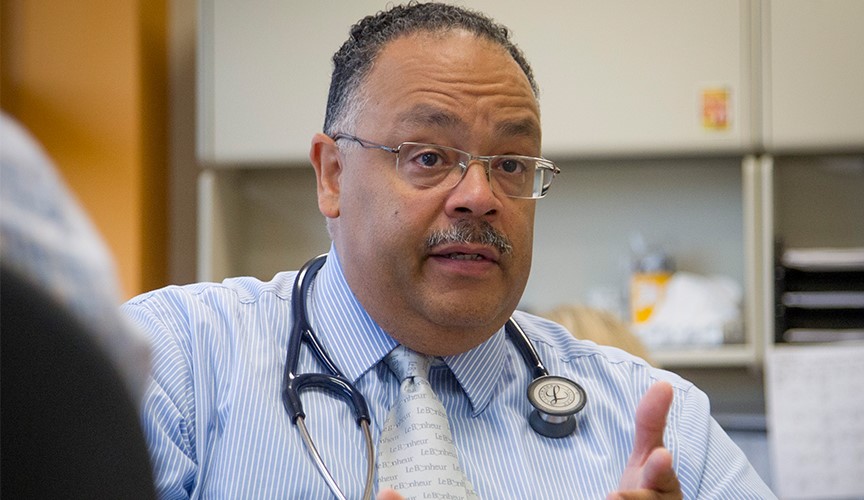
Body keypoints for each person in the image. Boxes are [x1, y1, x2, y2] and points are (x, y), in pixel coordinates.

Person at [123, 3, 775, 498]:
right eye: (429, 157)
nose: (480, 196)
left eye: (513, 164)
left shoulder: (658, 424)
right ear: (332, 176)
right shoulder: (174, 366)